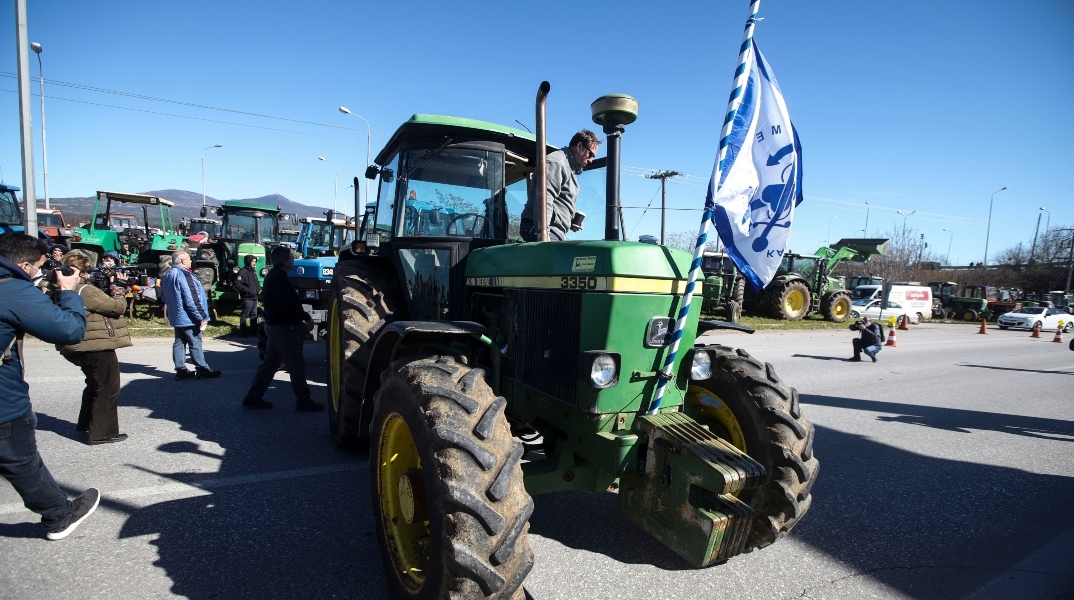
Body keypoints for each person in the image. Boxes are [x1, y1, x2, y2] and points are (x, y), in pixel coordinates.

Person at [0, 233, 100, 540]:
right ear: (25, 264)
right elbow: (68, 329)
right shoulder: (11, 291)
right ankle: (59, 516)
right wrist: (69, 292)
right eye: (40, 267)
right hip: (3, 401)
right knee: (21, 461)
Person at [55, 252, 132, 445]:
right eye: (87, 269)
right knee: (107, 387)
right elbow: (115, 308)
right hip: (94, 345)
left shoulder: (61, 290)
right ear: (79, 271)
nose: (90, 272)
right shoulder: (84, 290)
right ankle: (103, 432)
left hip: (79, 344)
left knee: (94, 384)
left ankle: (86, 423)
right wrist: (119, 289)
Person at [241, 245, 322, 411]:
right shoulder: (278, 278)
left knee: (269, 365)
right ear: (285, 261)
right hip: (284, 329)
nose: (293, 261)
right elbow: (287, 304)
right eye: (291, 258)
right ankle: (304, 401)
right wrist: (306, 318)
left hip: (275, 327)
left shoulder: (274, 276)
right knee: (296, 365)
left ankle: (253, 397)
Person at [519, 129, 600, 242]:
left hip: (554, 230)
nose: (591, 160)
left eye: (593, 157)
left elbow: (558, 202)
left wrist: (569, 220)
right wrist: (543, 235)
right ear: (579, 146)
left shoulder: (569, 168)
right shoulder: (556, 162)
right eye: (590, 154)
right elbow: (544, 199)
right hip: (541, 229)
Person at [161, 250, 220, 380]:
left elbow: (164, 297)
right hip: (189, 317)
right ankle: (202, 369)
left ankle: (181, 370)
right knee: (195, 342)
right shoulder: (184, 275)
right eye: (189, 259)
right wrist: (202, 317)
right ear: (183, 261)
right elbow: (192, 299)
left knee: (179, 342)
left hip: (176, 316)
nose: (191, 261)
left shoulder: (167, 275)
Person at [233, 254, 261, 338]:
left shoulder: (253, 272)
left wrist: (258, 290)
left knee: (254, 315)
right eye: (253, 261)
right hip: (247, 298)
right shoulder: (242, 272)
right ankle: (243, 332)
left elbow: (256, 284)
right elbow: (237, 284)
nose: (254, 263)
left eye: (255, 261)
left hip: (254, 297)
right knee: (245, 315)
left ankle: (253, 331)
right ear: (248, 261)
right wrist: (248, 291)